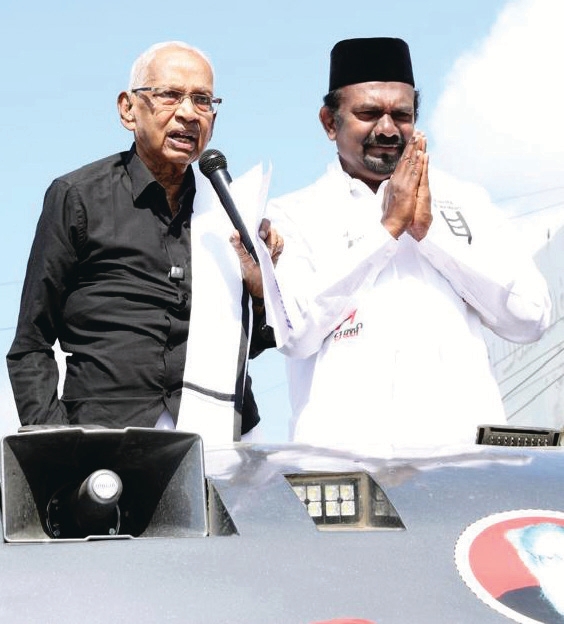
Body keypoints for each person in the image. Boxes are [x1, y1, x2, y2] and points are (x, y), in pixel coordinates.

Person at [267, 37, 551, 452]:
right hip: (346, 468)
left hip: (463, 463)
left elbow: (531, 317)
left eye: (401, 115)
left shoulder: (466, 200)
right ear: (329, 122)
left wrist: (430, 236)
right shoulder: (293, 214)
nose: (387, 129)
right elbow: (295, 333)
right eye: (368, 114)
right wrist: (385, 232)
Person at [7, 41, 280, 442]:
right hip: (106, 442)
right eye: (170, 95)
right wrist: (55, 443)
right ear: (128, 109)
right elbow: (31, 344)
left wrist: (260, 294)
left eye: (202, 100)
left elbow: (249, 346)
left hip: (224, 437)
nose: (188, 113)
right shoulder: (79, 197)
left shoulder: (228, 208)